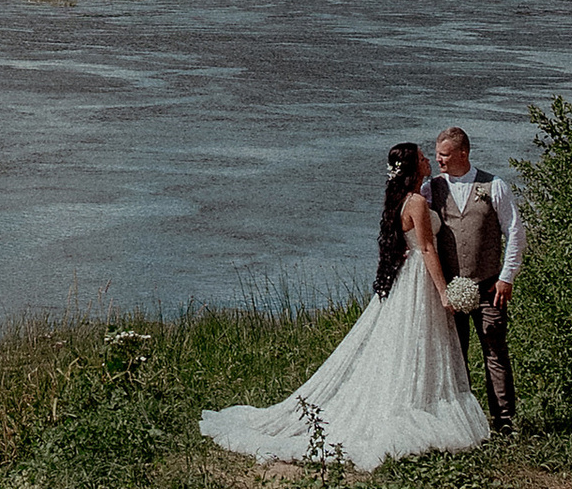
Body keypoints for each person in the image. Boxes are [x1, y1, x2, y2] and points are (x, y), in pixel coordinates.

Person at [198, 138, 492, 470]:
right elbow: (426, 249)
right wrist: (444, 292)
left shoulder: (404, 201)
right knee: (418, 341)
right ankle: (413, 404)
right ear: (412, 168)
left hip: (408, 280)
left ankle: (416, 396)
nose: (428, 161)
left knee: (413, 343)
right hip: (420, 281)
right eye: (423, 158)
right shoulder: (417, 203)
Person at [431, 125, 527, 435]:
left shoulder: (494, 186)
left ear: (463, 153)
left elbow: (515, 232)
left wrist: (507, 277)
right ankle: (462, 422)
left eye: (444, 155)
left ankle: (504, 420)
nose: (438, 160)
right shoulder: (431, 189)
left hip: (489, 286)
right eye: (437, 155)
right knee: (454, 356)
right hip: (450, 292)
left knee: (495, 352)